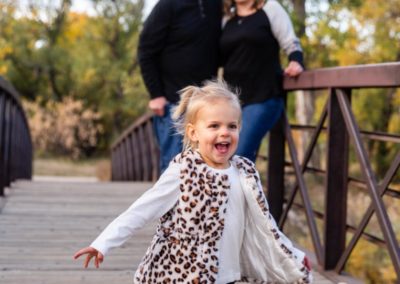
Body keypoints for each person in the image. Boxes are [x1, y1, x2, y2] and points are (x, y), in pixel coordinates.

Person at [74, 80, 312, 283]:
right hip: (184, 275)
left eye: (232, 126)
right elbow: (141, 210)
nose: (224, 133)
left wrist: (293, 256)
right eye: (214, 126)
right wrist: (102, 243)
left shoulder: (245, 172)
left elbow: (265, 224)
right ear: (193, 133)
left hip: (228, 275)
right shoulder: (184, 170)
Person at [138, 0, 222, 173]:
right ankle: (169, 202)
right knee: (173, 169)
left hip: (206, 105)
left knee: (203, 170)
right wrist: (156, 95)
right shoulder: (167, 5)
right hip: (173, 103)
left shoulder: (215, 5)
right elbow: (145, 50)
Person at [220, 0, 304, 162]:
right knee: (227, 158)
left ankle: (238, 187)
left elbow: (290, 41)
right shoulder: (226, 19)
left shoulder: (270, 8)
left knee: (236, 155)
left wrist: (296, 61)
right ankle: (246, 187)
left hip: (264, 96)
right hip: (230, 102)